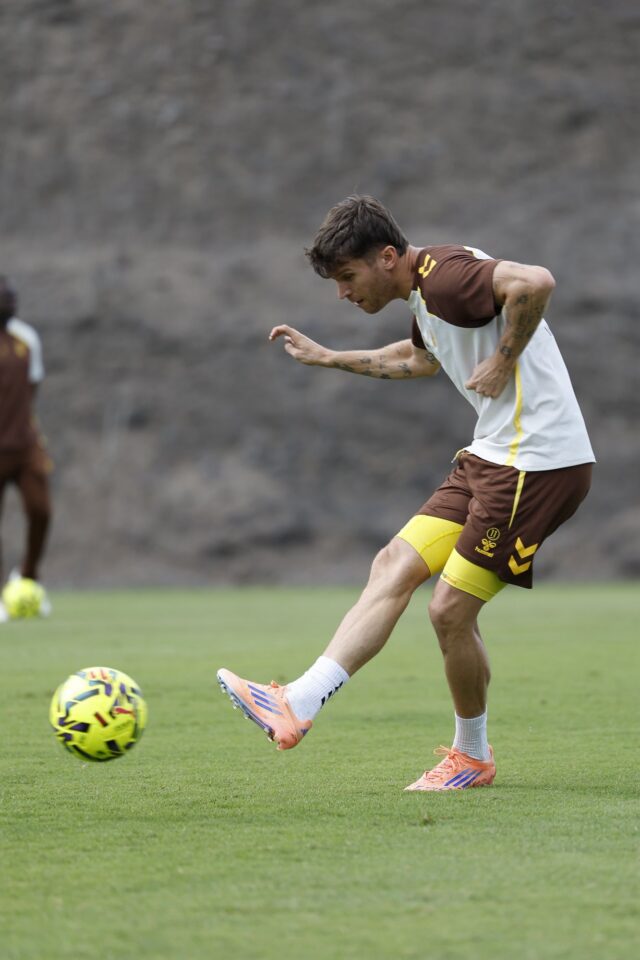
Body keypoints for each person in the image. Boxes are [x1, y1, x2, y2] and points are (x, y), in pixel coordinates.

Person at [217, 195, 594, 791]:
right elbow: (420, 359)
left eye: (348, 277)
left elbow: (536, 282)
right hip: (493, 455)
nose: (343, 293)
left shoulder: (446, 279)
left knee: (449, 611)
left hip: (537, 465)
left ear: (387, 257)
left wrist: (503, 361)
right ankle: (297, 702)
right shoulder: (427, 293)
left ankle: (471, 757)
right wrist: (330, 357)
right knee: (394, 563)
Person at [0, 276, 53, 622]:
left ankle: (28, 578)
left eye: (12, 297)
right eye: (4, 297)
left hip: (24, 445)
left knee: (40, 509)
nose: (10, 301)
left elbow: (31, 389)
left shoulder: (26, 338)